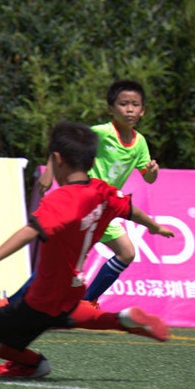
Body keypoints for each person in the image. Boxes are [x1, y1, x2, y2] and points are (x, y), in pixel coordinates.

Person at [0, 121, 174, 378]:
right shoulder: (103, 192)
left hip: (43, 296)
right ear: (92, 161)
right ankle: (122, 320)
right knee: (66, 314)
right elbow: (130, 209)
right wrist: (154, 226)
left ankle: (33, 364)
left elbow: (30, 231)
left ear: (57, 159)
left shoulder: (61, 199)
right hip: (73, 288)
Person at [34, 79, 159, 307]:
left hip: (105, 207)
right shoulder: (101, 132)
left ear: (143, 111)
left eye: (135, 105)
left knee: (126, 253)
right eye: (123, 104)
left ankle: (87, 301)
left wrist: (152, 171)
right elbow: (65, 143)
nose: (129, 109)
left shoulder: (140, 142)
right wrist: (49, 170)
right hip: (84, 202)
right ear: (111, 109)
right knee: (64, 263)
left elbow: (148, 178)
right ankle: (13, 302)